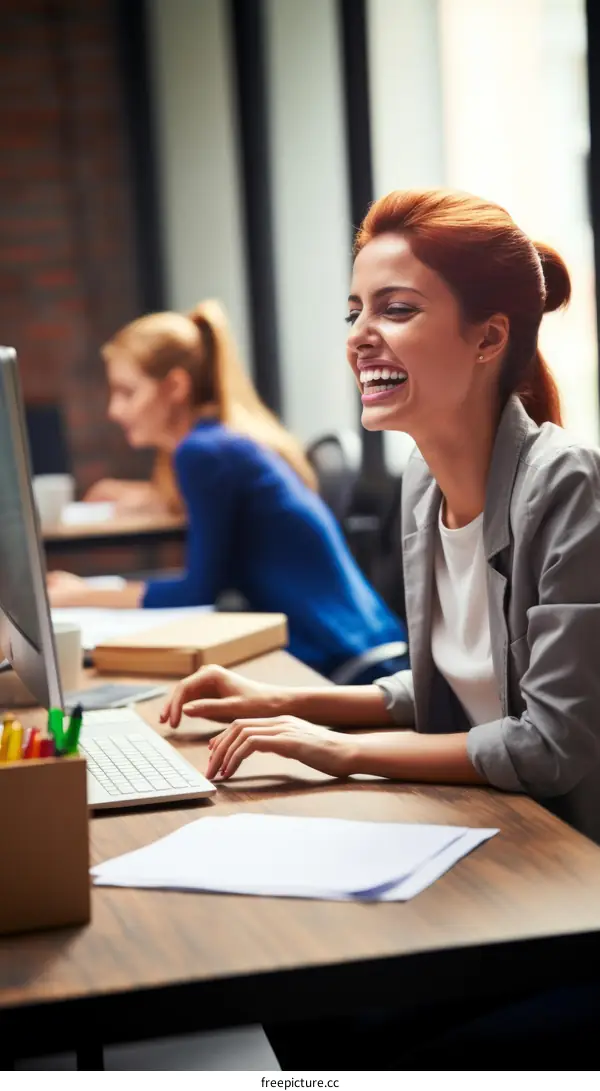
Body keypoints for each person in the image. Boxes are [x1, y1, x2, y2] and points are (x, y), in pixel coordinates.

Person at [160, 188, 600, 1068]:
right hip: (501, 854)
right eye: (356, 310)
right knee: (295, 982)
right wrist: (287, 701)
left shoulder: (566, 486)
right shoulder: (422, 486)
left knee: (342, 1019)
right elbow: (446, 683)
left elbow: (551, 742)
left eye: (397, 309)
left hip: (571, 889)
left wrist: (340, 750)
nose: (361, 333)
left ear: (489, 335)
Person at [48, 299, 407, 683]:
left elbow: (198, 589)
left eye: (127, 392)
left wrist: (80, 593)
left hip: (344, 659)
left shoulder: (202, 453)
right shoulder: (217, 443)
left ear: (175, 387)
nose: (114, 411)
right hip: (359, 641)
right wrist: (144, 497)